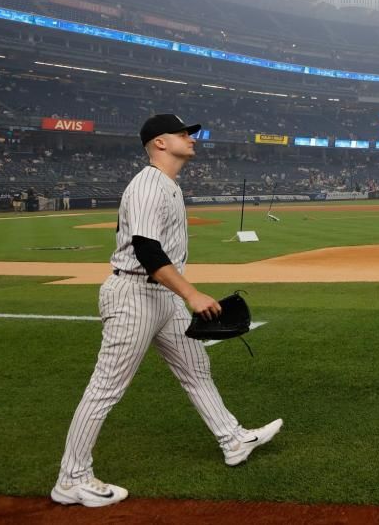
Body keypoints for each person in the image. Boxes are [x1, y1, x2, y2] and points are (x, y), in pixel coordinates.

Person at [52, 115, 282, 508]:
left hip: (161, 296)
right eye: (182, 134)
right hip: (134, 295)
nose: (191, 139)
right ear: (159, 143)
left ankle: (233, 439)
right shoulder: (146, 184)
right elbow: (146, 249)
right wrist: (191, 294)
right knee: (106, 387)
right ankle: (71, 478)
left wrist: (181, 296)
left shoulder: (170, 185)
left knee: (196, 369)